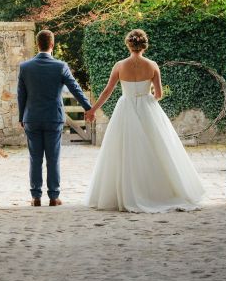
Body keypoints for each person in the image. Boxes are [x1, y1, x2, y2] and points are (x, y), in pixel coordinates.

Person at [83, 29, 205, 212]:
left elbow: (107, 91)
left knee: (124, 149)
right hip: (148, 108)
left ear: (128, 44)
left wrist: (93, 110)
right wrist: (146, 98)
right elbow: (159, 94)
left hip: (125, 107)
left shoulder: (119, 65)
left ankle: (124, 193)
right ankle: (158, 192)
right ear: (144, 45)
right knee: (158, 148)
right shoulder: (152, 65)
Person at [17, 29, 92, 207]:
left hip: (32, 118)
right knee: (53, 158)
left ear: (38, 44)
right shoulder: (60, 66)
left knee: (35, 158)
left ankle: (36, 197)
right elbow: (75, 89)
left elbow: (21, 95)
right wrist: (89, 108)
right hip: (53, 118)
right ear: (52, 45)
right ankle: (53, 197)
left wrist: (22, 116)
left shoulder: (25, 67)